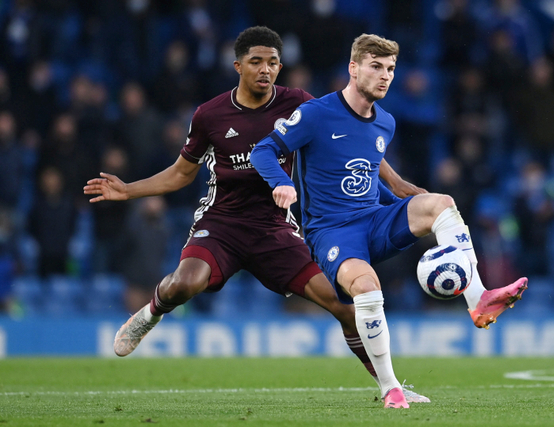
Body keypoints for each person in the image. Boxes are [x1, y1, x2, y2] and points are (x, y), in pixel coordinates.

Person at [83, 26, 427, 407]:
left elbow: (349, 136)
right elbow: (182, 173)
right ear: (238, 66)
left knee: (343, 303)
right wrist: (128, 189)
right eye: (256, 62)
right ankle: (150, 313)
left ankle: (390, 385)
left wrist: (395, 183)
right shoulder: (210, 114)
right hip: (223, 224)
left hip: (275, 228)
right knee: (185, 283)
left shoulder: (298, 103)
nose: (266, 69)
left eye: (274, 62)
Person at [251, 33, 528, 409]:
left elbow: (366, 168)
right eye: (376, 66)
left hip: (374, 220)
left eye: (391, 69)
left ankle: (478, 299)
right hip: (333, 232)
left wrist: (397, 189)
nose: (385, 76)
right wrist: (281, 184)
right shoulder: (316, 113)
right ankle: (391, 387)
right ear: (354, 68)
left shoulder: (385, 123)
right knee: (367, 287)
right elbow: (264, 150)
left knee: (440, 203)